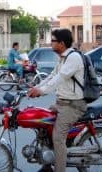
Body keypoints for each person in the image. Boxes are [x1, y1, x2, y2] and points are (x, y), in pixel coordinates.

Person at [28, 29, 87, 172]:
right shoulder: (63, 58)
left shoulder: (73, 58)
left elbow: (59, 78)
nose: (51, 43)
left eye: (53, 41)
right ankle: (47, 165)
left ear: (61, 43)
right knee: (43, 127)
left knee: (58, 138)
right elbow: (51, 76)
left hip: (73, 106)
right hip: (61, 103)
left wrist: (41, 91)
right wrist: (35, 88)